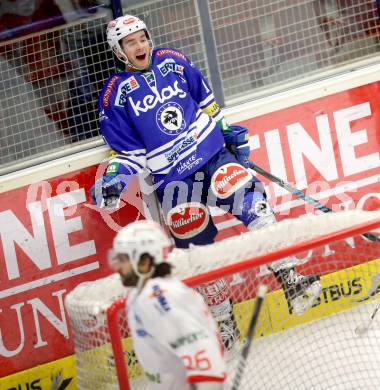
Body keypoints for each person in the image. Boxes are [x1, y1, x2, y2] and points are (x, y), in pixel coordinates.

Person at [91, 14, 322, 352]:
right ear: (119, 51)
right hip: (173, 182)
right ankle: (225, 324)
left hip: (213, 158)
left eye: (142, 37)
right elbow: (128, 153)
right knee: (198, 255)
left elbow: (206, 102)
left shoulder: (172, 61)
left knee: (254, 206)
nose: (140, 45)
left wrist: (226, 131)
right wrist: (114, 180)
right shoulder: (115, 95)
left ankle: (291, 280)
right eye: (131, 42)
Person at [109, 219, 228, 390]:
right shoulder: (141, 294)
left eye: (122, 259)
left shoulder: (160, 297)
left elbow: (204, 356)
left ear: (144, 263)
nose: (117, 266)